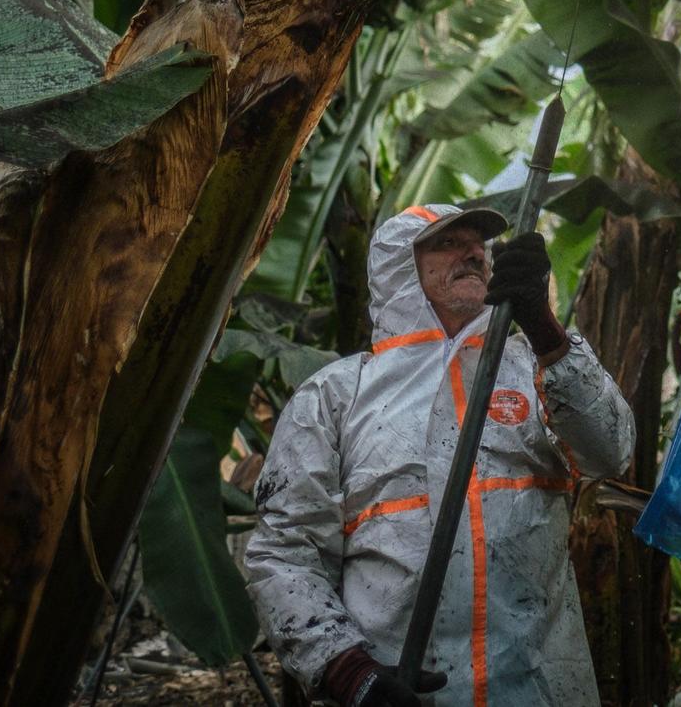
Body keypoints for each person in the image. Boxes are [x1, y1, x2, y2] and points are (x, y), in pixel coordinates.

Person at [247, 204, 633, 707]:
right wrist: (345, 669)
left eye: (479, 244)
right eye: (448, 243)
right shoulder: (336, 395)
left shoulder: (536, 366)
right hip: (394, 688)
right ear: (399, 265)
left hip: (535, 687)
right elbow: (284, 550)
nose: (474, 251)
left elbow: (612, 453)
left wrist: (545, 329)